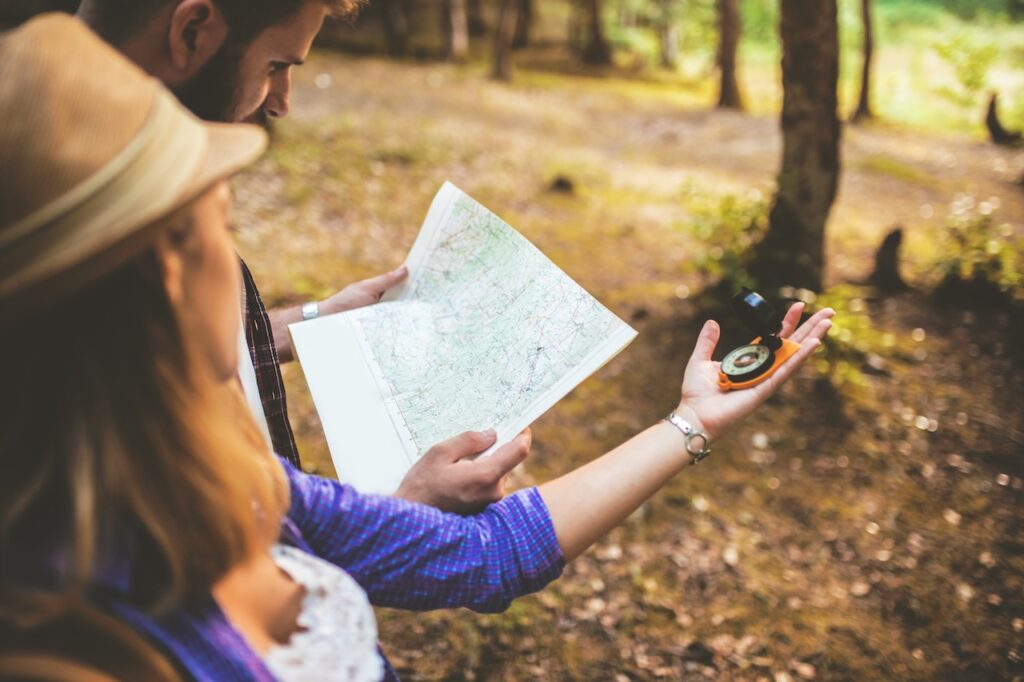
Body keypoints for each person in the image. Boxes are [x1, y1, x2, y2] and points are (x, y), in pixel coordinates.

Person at [0, 14, 834, 682]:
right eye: (224, 226)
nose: (244, 269)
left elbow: (488, 554)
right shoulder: (77, 639)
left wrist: (692, 423)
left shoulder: (219, 478)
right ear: (167, 288)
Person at [75, 0, 527, 514]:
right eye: (276, 66)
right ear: (193, 30)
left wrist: (312, 320)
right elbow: (203, 537)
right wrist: (403, 512)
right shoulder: (95, 230)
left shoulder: (98, 176)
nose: (282, 102)